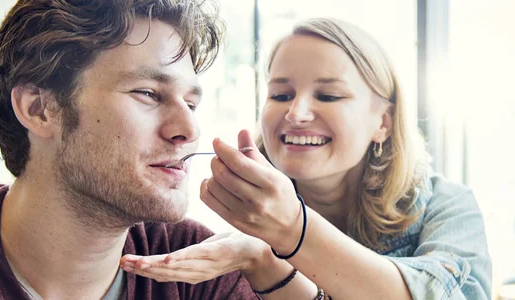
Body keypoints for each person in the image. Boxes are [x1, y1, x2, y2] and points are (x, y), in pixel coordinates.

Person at [121, 18, 493, 299]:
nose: (297, 113)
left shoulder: (446, 207)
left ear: (382, 122)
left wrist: (288, 235)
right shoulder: (237, 229)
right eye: (281, 95)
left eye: (328, 97)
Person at [0, 1, 261, 299]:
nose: (189, 130)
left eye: (191, 103)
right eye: (148, 93)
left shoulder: (192, 265)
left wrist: (273, 254)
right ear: (39, 109)